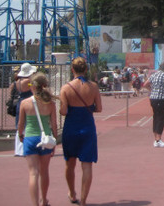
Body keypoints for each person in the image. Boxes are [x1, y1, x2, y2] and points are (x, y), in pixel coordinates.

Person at [60, 57, 102, 206]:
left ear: (72, 70)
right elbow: (99, 108)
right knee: (87, 165)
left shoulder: (66, 88)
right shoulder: (94, 87)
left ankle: (72, 193)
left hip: (71, 127)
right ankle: (83, 200)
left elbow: (63, 112)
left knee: (69, 163)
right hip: (87, 127)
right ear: (85, 70)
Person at [17, 72, 58, 206]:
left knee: (33, 173)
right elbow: (54, 124)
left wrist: (20, 135)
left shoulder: (25, 103)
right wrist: (55, 140)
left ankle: (35, 203)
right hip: (45, 138)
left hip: (30, 137)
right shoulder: (50, 104)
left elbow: (21, 124)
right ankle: (44, 199)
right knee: (44, 171)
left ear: (33, 86)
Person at [144, 63, 164, 147]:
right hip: (162, 98)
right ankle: (158, 139)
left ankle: (156, 138)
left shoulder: (154, 75)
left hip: (153, 98)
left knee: (155, 117)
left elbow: (145, 84)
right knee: (161, 119)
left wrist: (152, 90)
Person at [14, 63, 37, 156]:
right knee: (27, 123)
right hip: (28, 102)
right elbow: (34, 87)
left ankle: (18, 149)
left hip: (20, 101)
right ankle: (24, 149)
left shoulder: (17, 82)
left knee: (20, 123)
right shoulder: (28, 81)